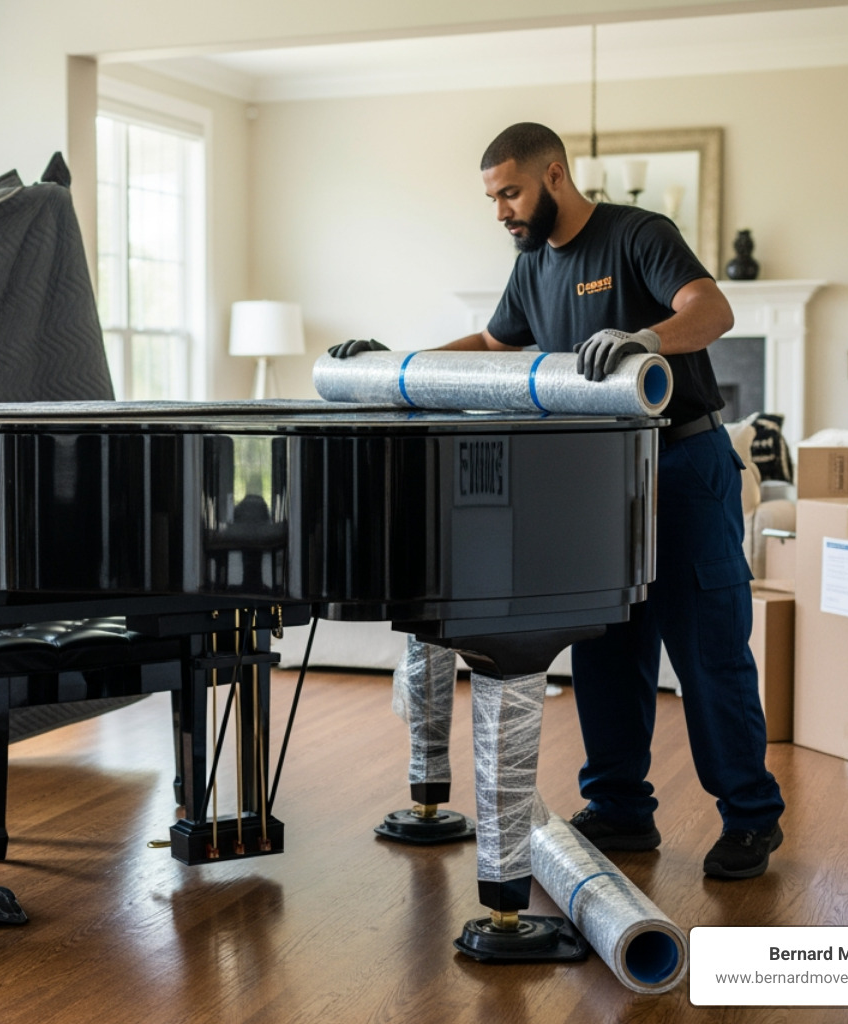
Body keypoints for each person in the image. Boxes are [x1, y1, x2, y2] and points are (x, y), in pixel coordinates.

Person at [332, 122, 784, 880]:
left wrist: (645, 337)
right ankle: (619, 811)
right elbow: (491, 344)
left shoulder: (637, 233)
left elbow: (713, 311)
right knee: (606, 647)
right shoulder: (535, 265)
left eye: (510, 191)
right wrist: (395, 362)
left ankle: (749, 819)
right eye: (492, 197)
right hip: (597, 476)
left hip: (681, 464)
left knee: (707, 651)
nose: (502, 210)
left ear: (555, 176)